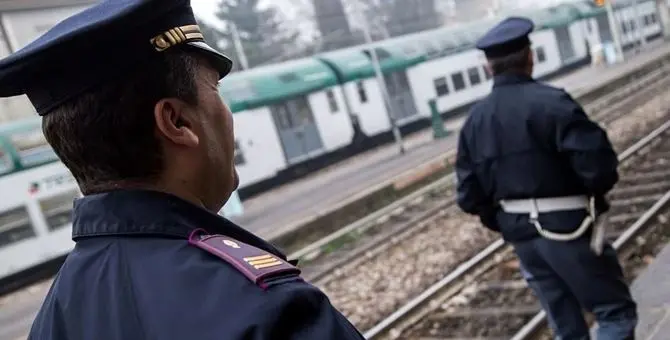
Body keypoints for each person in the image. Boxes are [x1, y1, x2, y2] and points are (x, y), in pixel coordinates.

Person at [0, 0, 365, 339]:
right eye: (215, 89)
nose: (226, 113)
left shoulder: (53, 319)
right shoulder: (270, 310)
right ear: (176, 121)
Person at [455, 17, 637, 339]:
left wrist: (503, 219)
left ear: (489, 68)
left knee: (566, 327)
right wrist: (589, 194)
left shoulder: (475, 121)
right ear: (530, 57)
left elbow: (469, 194)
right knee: (614, 313)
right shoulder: (553, 103)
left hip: (522, 237)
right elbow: (598, 165)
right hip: (569, 227)